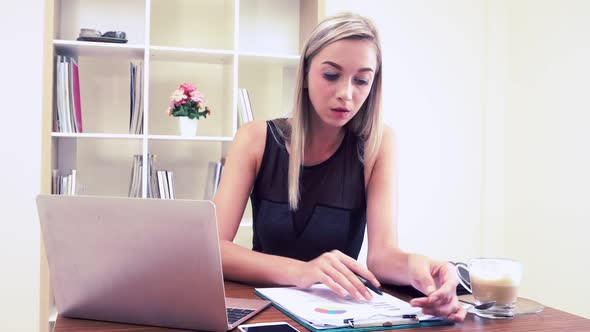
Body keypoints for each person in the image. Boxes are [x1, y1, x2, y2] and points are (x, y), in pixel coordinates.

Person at [213, 12, 466, 322]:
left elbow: (382, 257)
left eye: (361, 80)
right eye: (331, 75)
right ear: (306, 73)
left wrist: (425, 269)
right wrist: (303, 271)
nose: (346, 94)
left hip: (334, 318)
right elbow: (214, 247)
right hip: (262, 313)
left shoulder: (378, 143)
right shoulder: (255, 138)